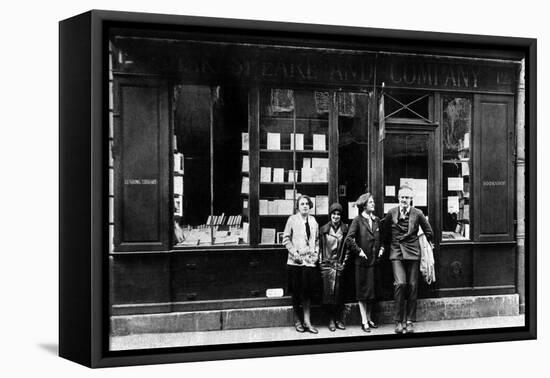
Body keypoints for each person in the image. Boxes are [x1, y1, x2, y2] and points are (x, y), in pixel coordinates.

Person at [381, 184, 434, 334]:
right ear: (398, 198)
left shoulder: (417, 213)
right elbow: (384, 232)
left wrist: (428, 244)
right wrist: (384, 247)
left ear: (412, 199)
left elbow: (429, 231)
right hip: (396, 252)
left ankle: (409, 321)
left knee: (412, 285)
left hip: (413, 252)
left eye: (408, 198)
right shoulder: (391, 213)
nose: (405, 200)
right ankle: (398, 321)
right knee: (400, 283)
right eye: (402, 197)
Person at [345, 193, 383, 333]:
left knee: (371, 292)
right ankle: (364, 321)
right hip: (362, 263)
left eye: (373, 201)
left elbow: (382, 239)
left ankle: (369, 318)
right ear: (364, 205)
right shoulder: (357, 220)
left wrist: (381, 250)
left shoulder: (377, 220)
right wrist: (359, 251)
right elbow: (349, 239)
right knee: (363, 293)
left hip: (374, 262)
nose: (373, 204)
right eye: (371, 202)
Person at [282, 194, 320, 334]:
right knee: (297, 293)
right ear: (297, 206)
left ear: (310, 206)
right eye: (302, 204)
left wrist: (316, 254)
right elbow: (285, 239)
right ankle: (298, 320)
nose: (305, 206)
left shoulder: (313, 221)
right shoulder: (292, 220)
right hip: (295, 263)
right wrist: (294, 254)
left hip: (309, 263)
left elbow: (316, 241)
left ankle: (307, 321)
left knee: (307, 293)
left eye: (307, 204)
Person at [319, 203, 349, 331]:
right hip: (327, 265)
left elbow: (348, 249)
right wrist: (321, 263)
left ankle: (338, 319)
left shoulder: (345, 229)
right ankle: (331, 319)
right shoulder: (324, 229)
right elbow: (319, 247)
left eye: (338, 214)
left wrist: (344, 263)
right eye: (333, 214)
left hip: (339, 265)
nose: (336, 216)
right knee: (328, 294)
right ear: (330, 215)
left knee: (339, 293)